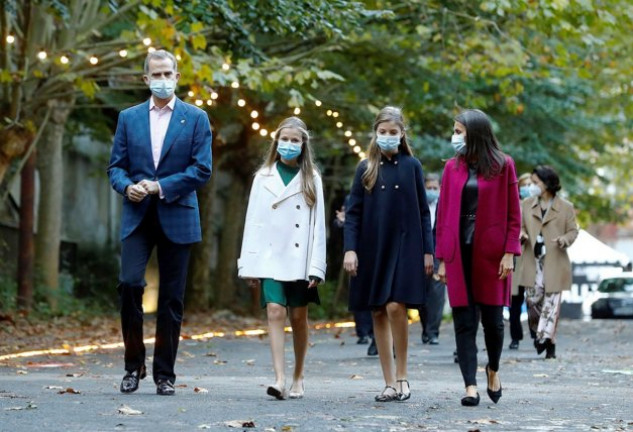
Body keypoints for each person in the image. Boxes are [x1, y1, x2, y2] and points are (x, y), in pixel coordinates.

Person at [107, 50, 212, 395]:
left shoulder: (196, 118)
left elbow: (201, 169)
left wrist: (162, 186)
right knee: (130, 284)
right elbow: (116, 167)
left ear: (178, 77)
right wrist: (128, 186)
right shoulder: (128, 117)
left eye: (168, 73)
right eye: (156, 74)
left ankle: (164, 374)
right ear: (145, 79)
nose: (162, 79)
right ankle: (132, 364)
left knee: (171, 298)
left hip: (178, 213)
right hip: (137, 215)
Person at [344, 106, 434, 402]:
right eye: (382, 132)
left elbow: (423, 212)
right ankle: (388, 382)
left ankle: (403, 374)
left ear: (402, 134)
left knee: (397, 306)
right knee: (378, 310)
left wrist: (428, 252)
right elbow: (353, 213)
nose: (386, 137)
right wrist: (350, 249)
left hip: (407, 246)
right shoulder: (365, 168)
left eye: (392, 132)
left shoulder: (413, 166)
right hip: (372, 247)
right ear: (375, 134)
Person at [436, 109, 521, 406]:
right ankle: (470, 385)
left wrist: (510, 253)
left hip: (492, 255)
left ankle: (493, 369)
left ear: (476, 134)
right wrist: (443, 258)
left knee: (494, 324)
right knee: (463, 321)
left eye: (460, 131)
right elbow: (444, 214)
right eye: (454, 131)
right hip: (460, 253)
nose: (455, 137)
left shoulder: (503, 165)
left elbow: (514, 214)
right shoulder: (451, 168)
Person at [237, 116, 326, 400]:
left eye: (294, 140)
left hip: (300, 259)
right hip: (270, 256)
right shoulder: (262, 177)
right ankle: (279, 378)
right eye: (284, 139)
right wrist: (248, 263)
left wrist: (316, 266)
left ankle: (299, 376)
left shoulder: (312, 179)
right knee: (275, 311)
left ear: (303, 144)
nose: (289, 144)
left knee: (299, 317)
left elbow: (318, 227)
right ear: (277, 142)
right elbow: (253, 221)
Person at [516, 165, 578, 359]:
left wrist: (564, 240)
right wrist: (523, 235)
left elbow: (573, 230)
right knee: (533, 301)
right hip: (532, 260)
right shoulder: (526, 204)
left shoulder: (565, 207)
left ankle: (545, 340)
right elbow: (519, 227)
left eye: (536, 182)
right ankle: (540, 334)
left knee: (551, 304)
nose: (532, 186)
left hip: (554, 260)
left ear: (548, 183)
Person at [333, 198, 377, 355]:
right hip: (359, 253)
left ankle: (378, 337)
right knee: (363, 296)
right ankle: (364, 332)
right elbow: (347, 223)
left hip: (382, 249)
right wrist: (341, 222)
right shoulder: (353, 198)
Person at [418, 173, 446, 346]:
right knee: (421, 292)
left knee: (437, 293)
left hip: (438, 252)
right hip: (419, 252)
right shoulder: (418, 205)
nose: (432, 191)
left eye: (435, 188)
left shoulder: (445, 205)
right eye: (429, 188)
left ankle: (433, 331)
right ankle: (425, 328)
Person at [508, 173, 534, 350]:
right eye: (524, 185)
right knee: (515, 302)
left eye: (530, 184)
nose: (527, 188)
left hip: (533, 258)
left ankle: (536, 334)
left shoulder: (539, 207)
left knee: (534, 300)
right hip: (517, 258)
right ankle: (515, 337)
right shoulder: (513, 205)